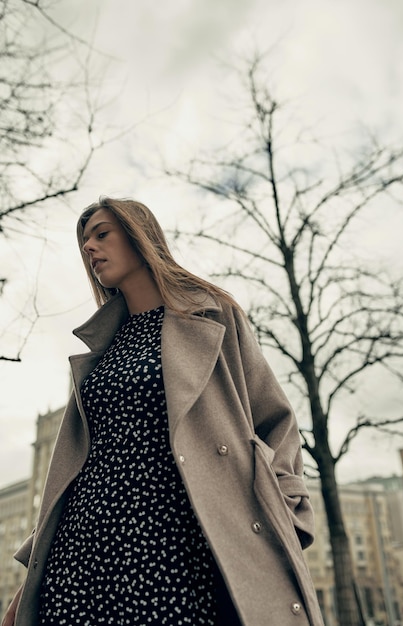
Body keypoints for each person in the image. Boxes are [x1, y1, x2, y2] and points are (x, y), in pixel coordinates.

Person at [2, 197, 324, 626]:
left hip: (178, 542)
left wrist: (287, 507)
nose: (90, 249)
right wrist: (33, 577)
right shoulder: (102, 347)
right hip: (83, 548)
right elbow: (78, 467)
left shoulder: (211, 313)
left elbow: (274, 420)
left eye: (102, 234)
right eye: (84, 242)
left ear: (140, 237)